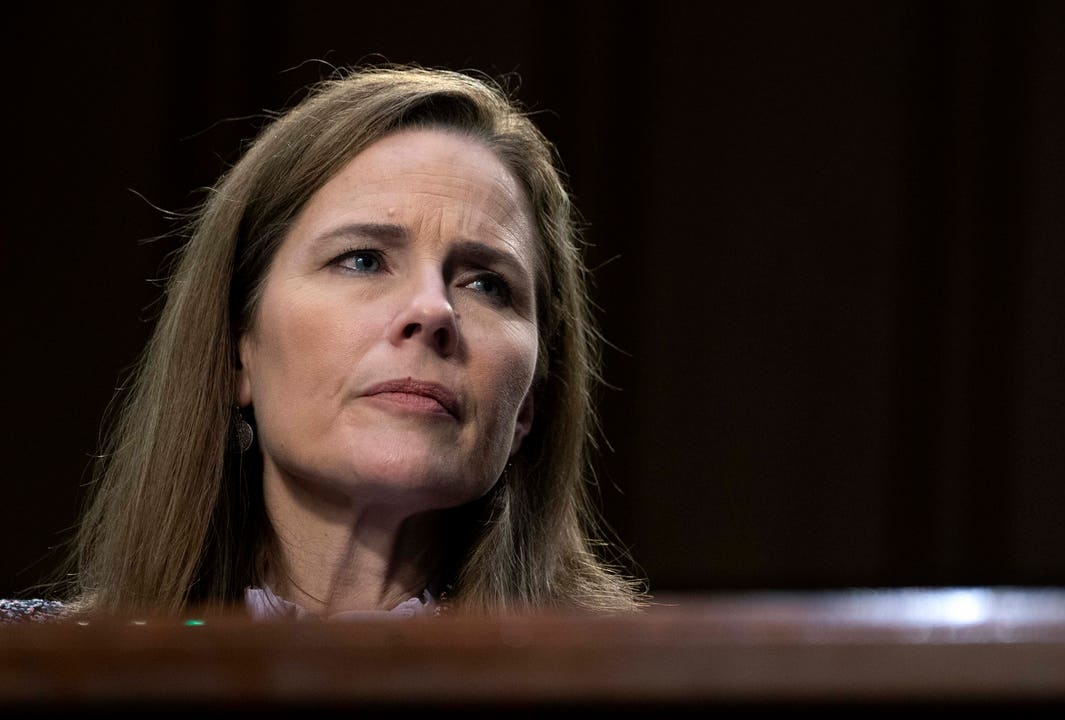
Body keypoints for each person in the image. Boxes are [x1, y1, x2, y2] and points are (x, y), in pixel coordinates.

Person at [4, 64, 646, 621]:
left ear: (529, 401)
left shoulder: (637, 690)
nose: (433, 310)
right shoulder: (35, 673)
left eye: (487, 284)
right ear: (237, 351)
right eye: (363, 260)